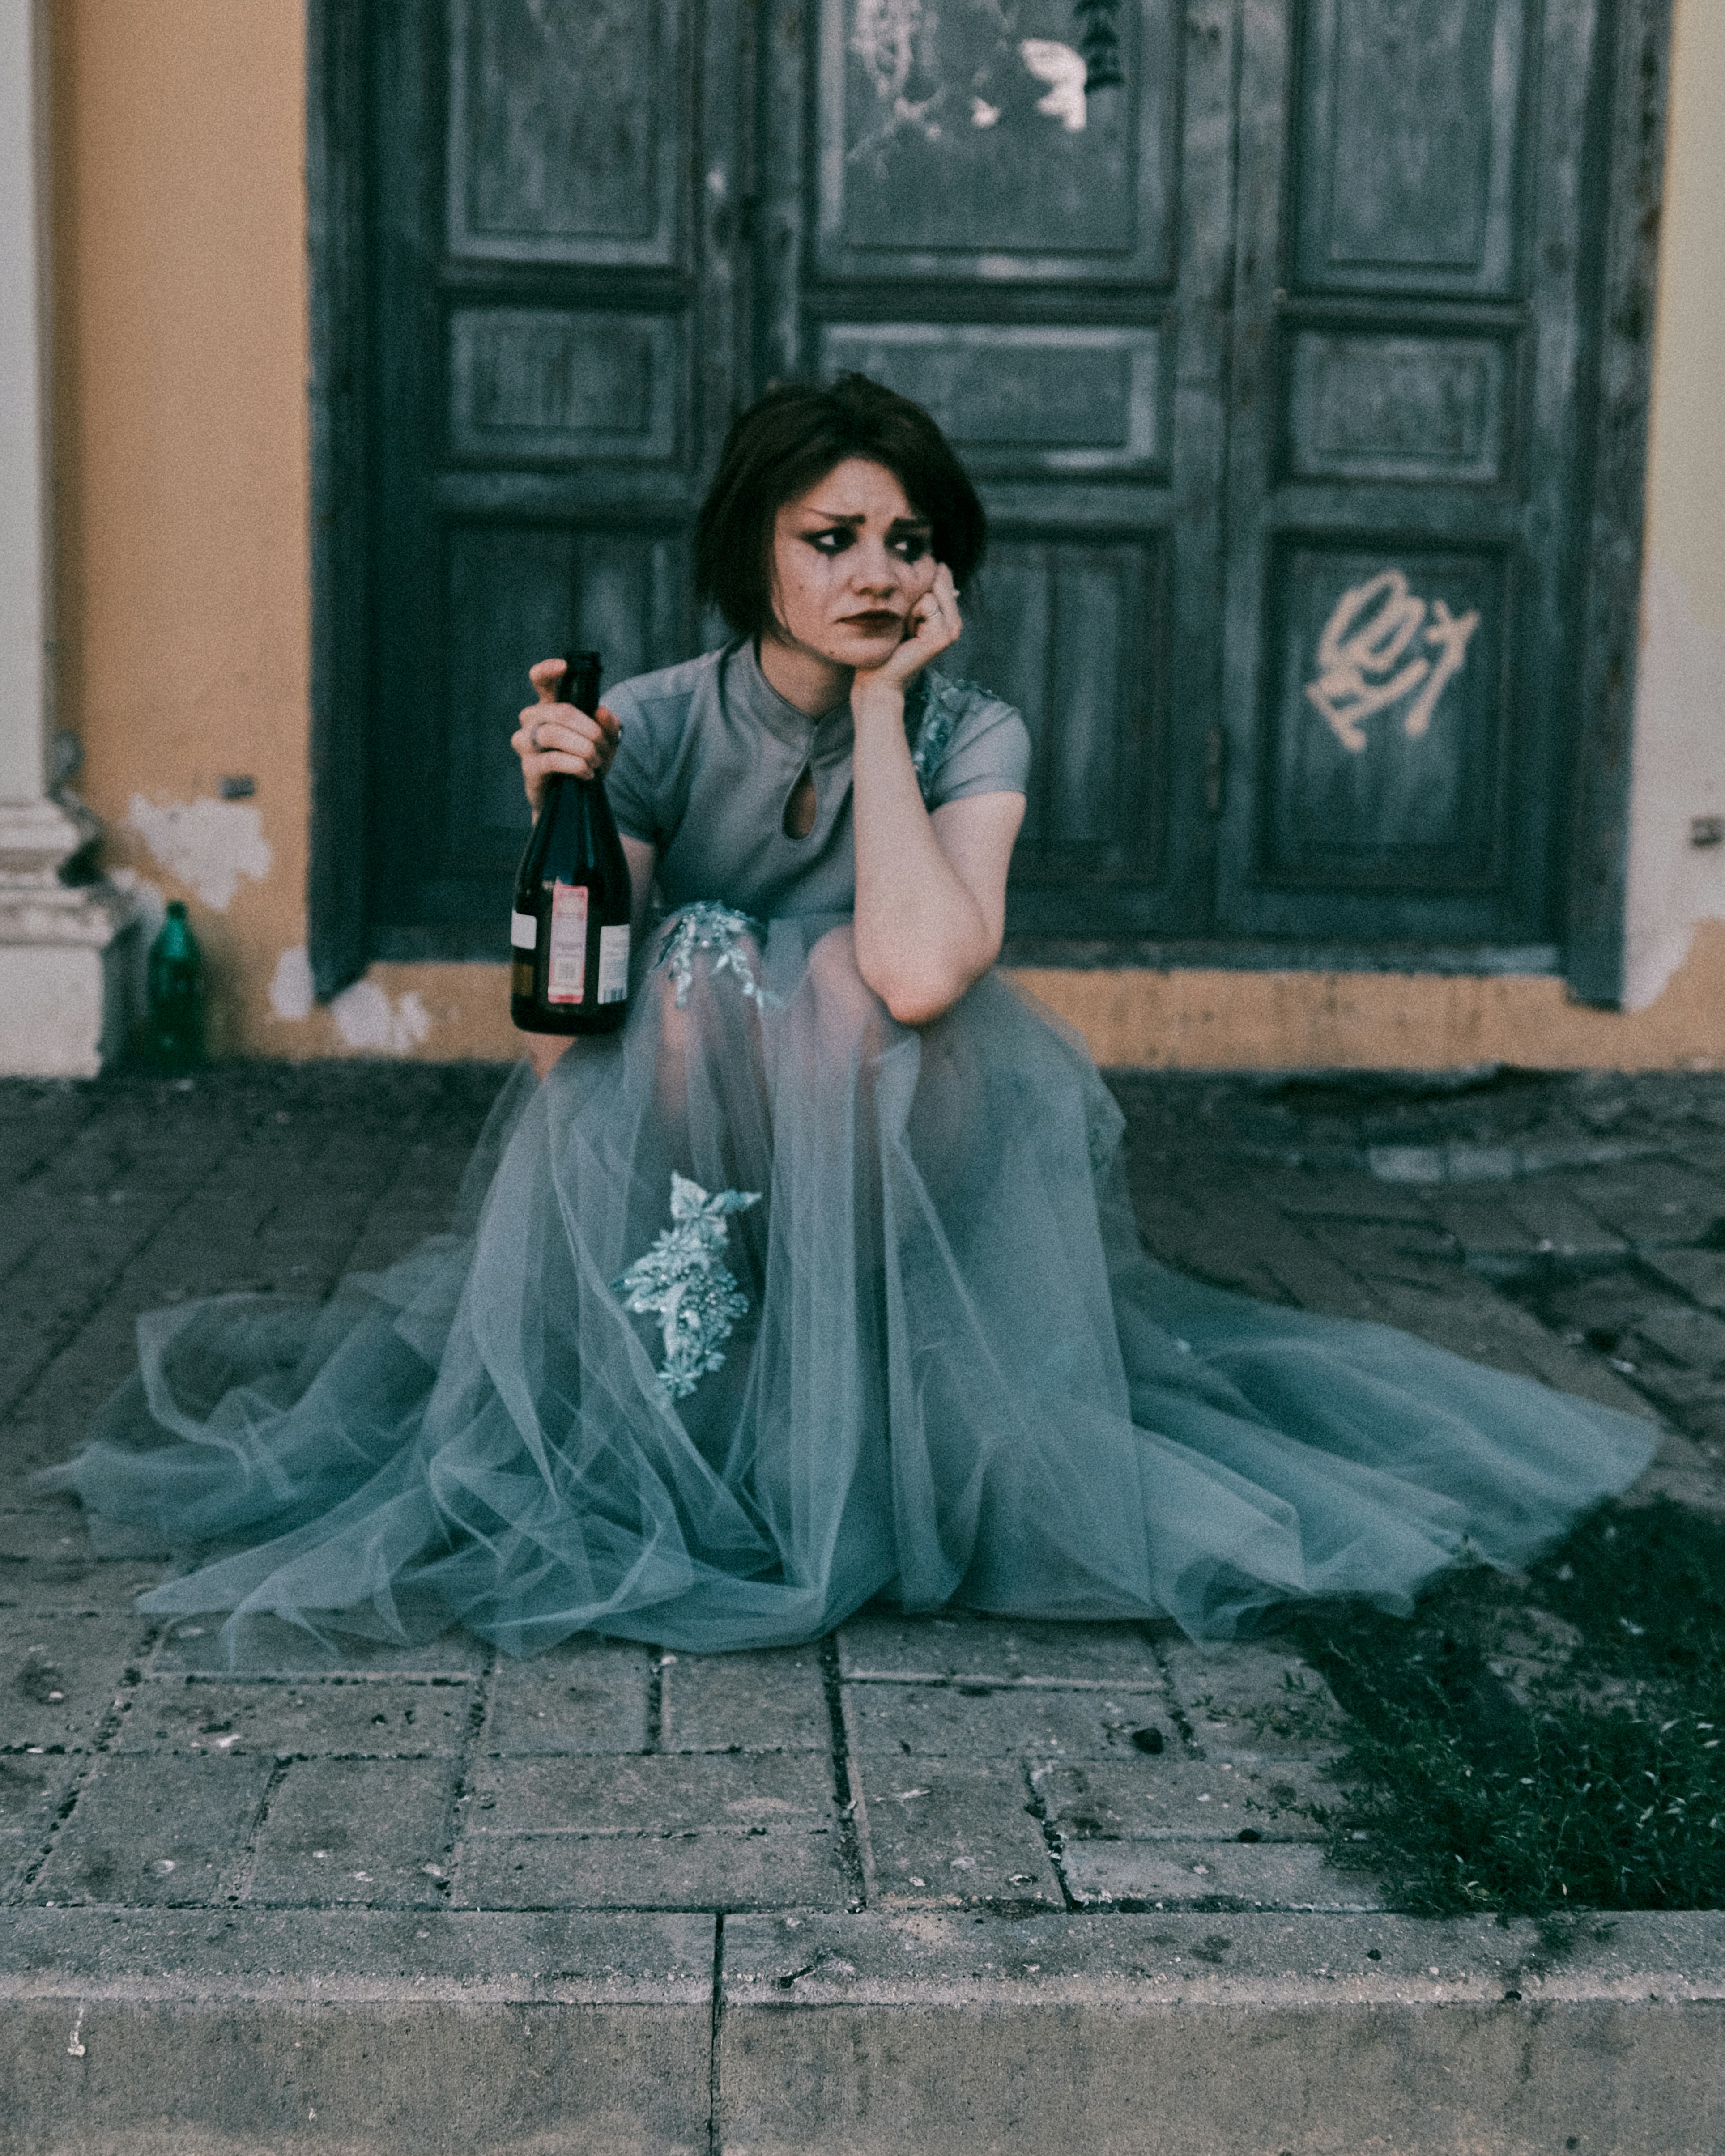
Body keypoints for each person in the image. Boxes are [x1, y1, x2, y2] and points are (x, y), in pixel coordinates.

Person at [38, 376, 1656, 1661]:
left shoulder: (972, 725)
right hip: (687, 1148)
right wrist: (567, 822)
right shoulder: (656, 722)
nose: (874, 571)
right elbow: (555, 1042)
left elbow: (926, 971)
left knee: (835, 975)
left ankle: (843, 1423)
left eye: (905, 541)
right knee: (698, 962)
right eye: (832, 538)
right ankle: (722, 1399)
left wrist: (886, 716)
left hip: (903, 1127)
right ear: (758, 549)